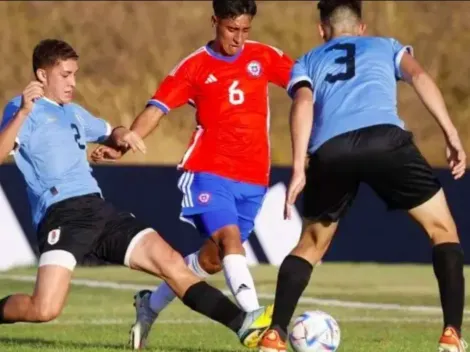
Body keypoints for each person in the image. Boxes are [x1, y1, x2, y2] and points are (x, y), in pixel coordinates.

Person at [0, 38, 274, 350]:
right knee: (44, 309)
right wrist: (22, 112)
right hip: (62, 216)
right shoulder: (23, 110)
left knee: (172, 263)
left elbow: (109, 130)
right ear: (42, 75)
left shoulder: (73, 112)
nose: (73, 82)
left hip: (99, 209)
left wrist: (123, 134)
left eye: (75, 74)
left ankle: (243, 324)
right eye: (65, 75)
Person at [257, 1, 467, 352]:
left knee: (310, 245)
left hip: (331, 150)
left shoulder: (308, 60)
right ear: (362, 28)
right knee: (442, 231)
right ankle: (451, 335)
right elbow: (420, 77)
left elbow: (303, 104)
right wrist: (451, 133)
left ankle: (275, 334)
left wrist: (297, 167)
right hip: (386, 141)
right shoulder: (386, 46)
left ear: (322, 30)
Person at [91, 0, 293, 349]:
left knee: (210, 261)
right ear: (215, 21)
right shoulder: (194, 67)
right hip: (207, 171)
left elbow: (305, 85)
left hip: (254, 179)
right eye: (232, 29)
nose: (239, 38)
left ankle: (148, 305)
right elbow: (157, 108)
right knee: (230, 240)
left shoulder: (264, 56)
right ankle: (256, 324)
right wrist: (126, 143)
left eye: (246, 30)